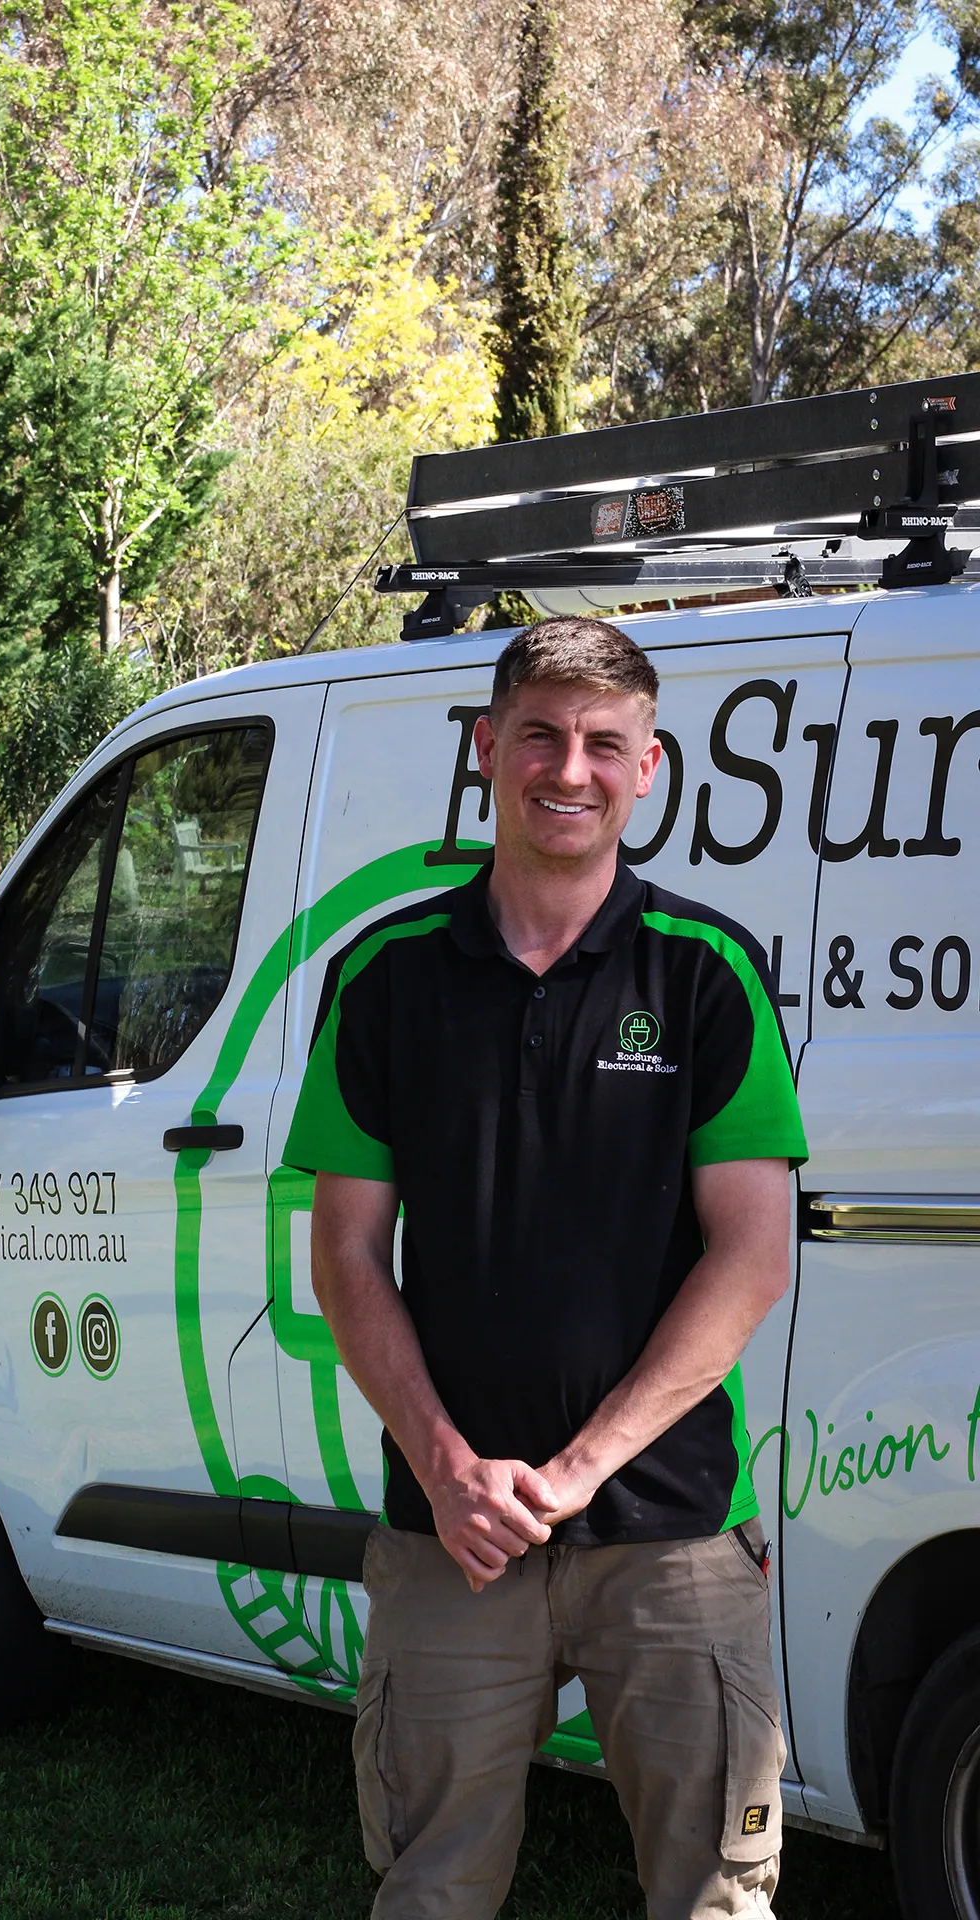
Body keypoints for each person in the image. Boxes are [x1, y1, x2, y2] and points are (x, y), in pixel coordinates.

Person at [283, 617, 808, 1920]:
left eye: (603, 744)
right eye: (541, 735)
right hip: (448, 1541)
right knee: (432, 1892)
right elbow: (347, 1252)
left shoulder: (708, 972)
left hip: (673, 1536)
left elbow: (752, 1256)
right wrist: (449, 1471)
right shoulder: (385, 976)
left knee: (715, 1901)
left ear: (649, 770)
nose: (568, 768)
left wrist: (573, 1474)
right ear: (487, 749)